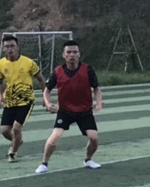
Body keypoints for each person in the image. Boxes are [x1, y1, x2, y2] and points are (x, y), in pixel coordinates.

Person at [36, 40, 102, 173]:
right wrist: (47, 103)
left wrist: (99, 101)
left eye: (75, 52)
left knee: (94, 138)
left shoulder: (88, 69)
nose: (72, 55)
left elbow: (96, 88)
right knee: (54, 138)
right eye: (69, 52)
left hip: (84, 111)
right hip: (65, 111)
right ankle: (44, 163)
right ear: (63, 55)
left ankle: (88, 160)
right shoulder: (57, 71)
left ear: (79, 54)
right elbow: (47, 90)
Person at [0, 34, 50, 163]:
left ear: (17, 47)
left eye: (12, 46)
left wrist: (45, 97)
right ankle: (18, 140)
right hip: (10, 101)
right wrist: (0, 96)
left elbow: (41, 80)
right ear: (3, 48)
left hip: (26, 101)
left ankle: (13, 153)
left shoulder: (28, 62)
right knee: (4, 130)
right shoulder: (0, 64)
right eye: (7, 46)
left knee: (16, 128)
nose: (10, 49)